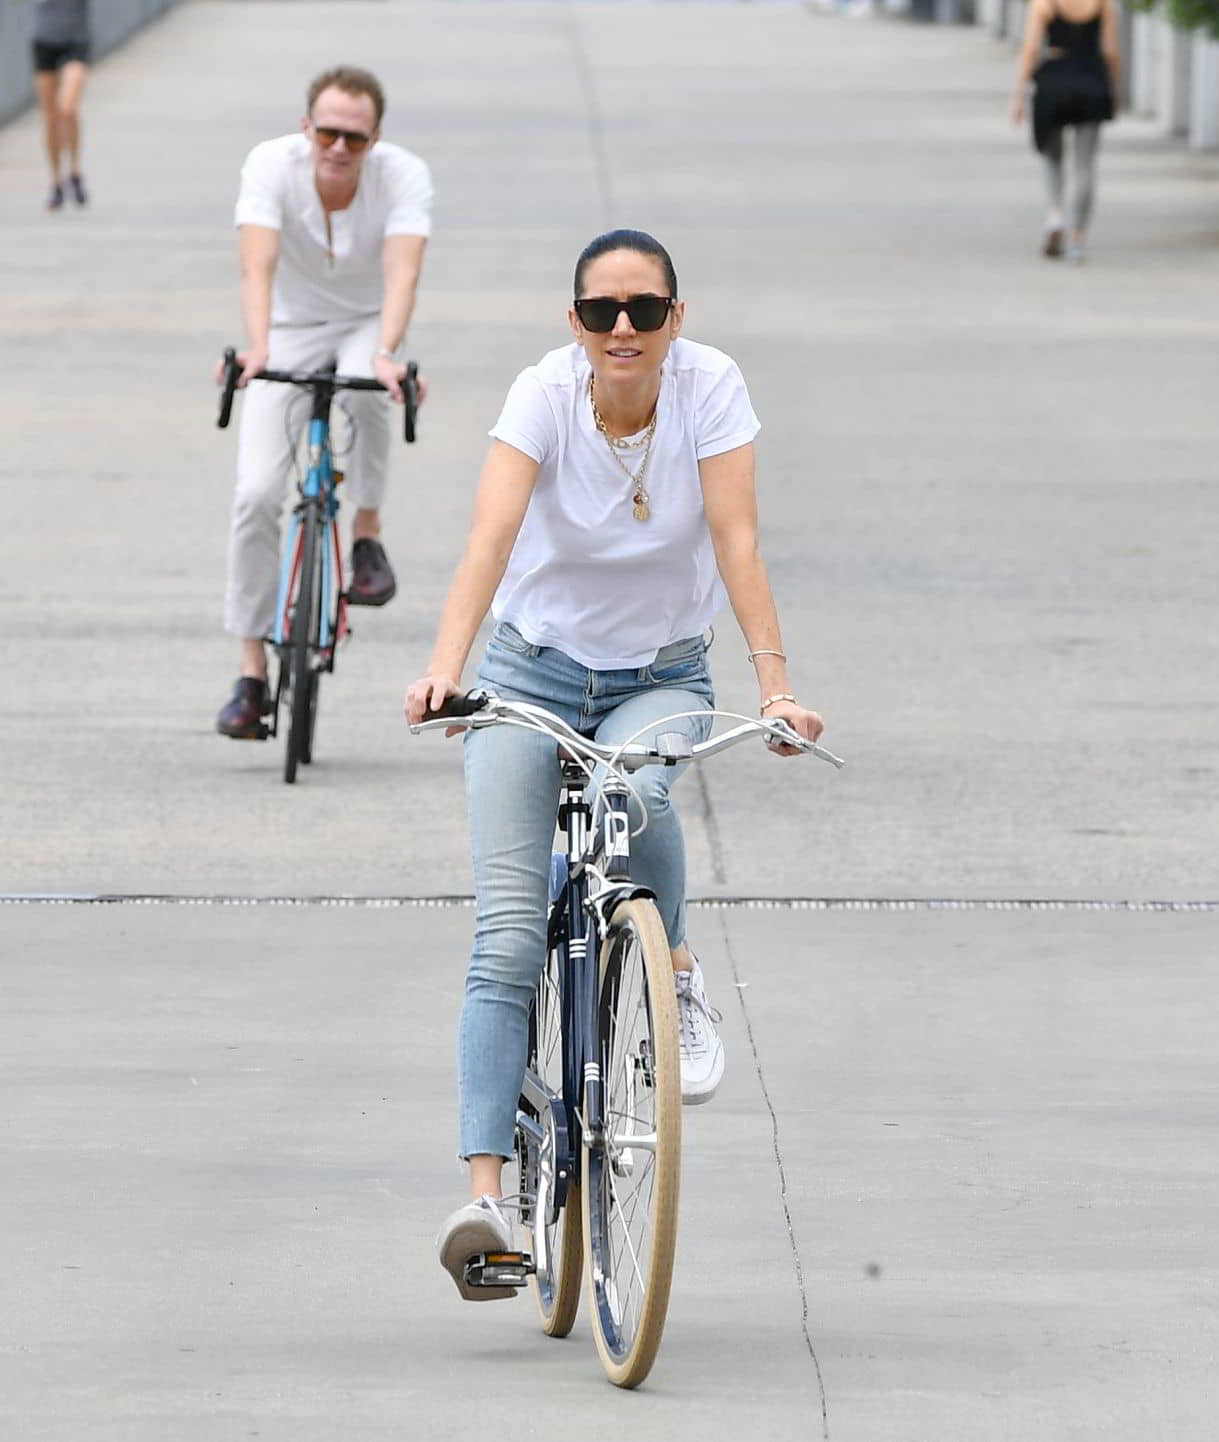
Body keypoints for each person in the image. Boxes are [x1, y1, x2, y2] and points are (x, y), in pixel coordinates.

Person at [402, 229, 826, 1298]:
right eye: (601, 312)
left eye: (644, 309)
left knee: (641, 789)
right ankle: (488, 1200)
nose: (623, 328)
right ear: (575, 324)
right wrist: (444, 672)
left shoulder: (709, 387)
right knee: (504, 937)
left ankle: (671, 974)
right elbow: (486, 542)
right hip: (527, 673)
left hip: (658, 673)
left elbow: (738, 540)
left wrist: (773, 686)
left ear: (676, 317)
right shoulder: (542, 394)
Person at [215, 65, 432, 739]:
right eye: (329, 132)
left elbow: (403, 271)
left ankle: (365, 536)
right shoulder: (269, 166)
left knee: (370, 392)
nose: (340, 148)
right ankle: (252, 674)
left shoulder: (403, 175)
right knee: (255, 495)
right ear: (306, 126)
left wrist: (388, 353)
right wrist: (256, 349)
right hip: (285, 326)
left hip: (367, 321)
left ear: (377, 138)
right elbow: (258, 265)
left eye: (356, 138)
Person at [1011, 0, 1119, 263]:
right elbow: (1110, 51)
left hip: (1054, 83)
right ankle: (1078, 239)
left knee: (1052, 155)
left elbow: (1030, 49)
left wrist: (1019, 94)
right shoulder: (1102, 4)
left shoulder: (1043, 3)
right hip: (1091, 80)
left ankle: (1055, 215)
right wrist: (1114, 88)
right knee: (1084, 164)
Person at [32, 0, 90, 210]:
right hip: (44, 39)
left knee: (68, 108)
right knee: (50, 118)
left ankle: (74, 169)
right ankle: (56, 181)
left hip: (76, 40)